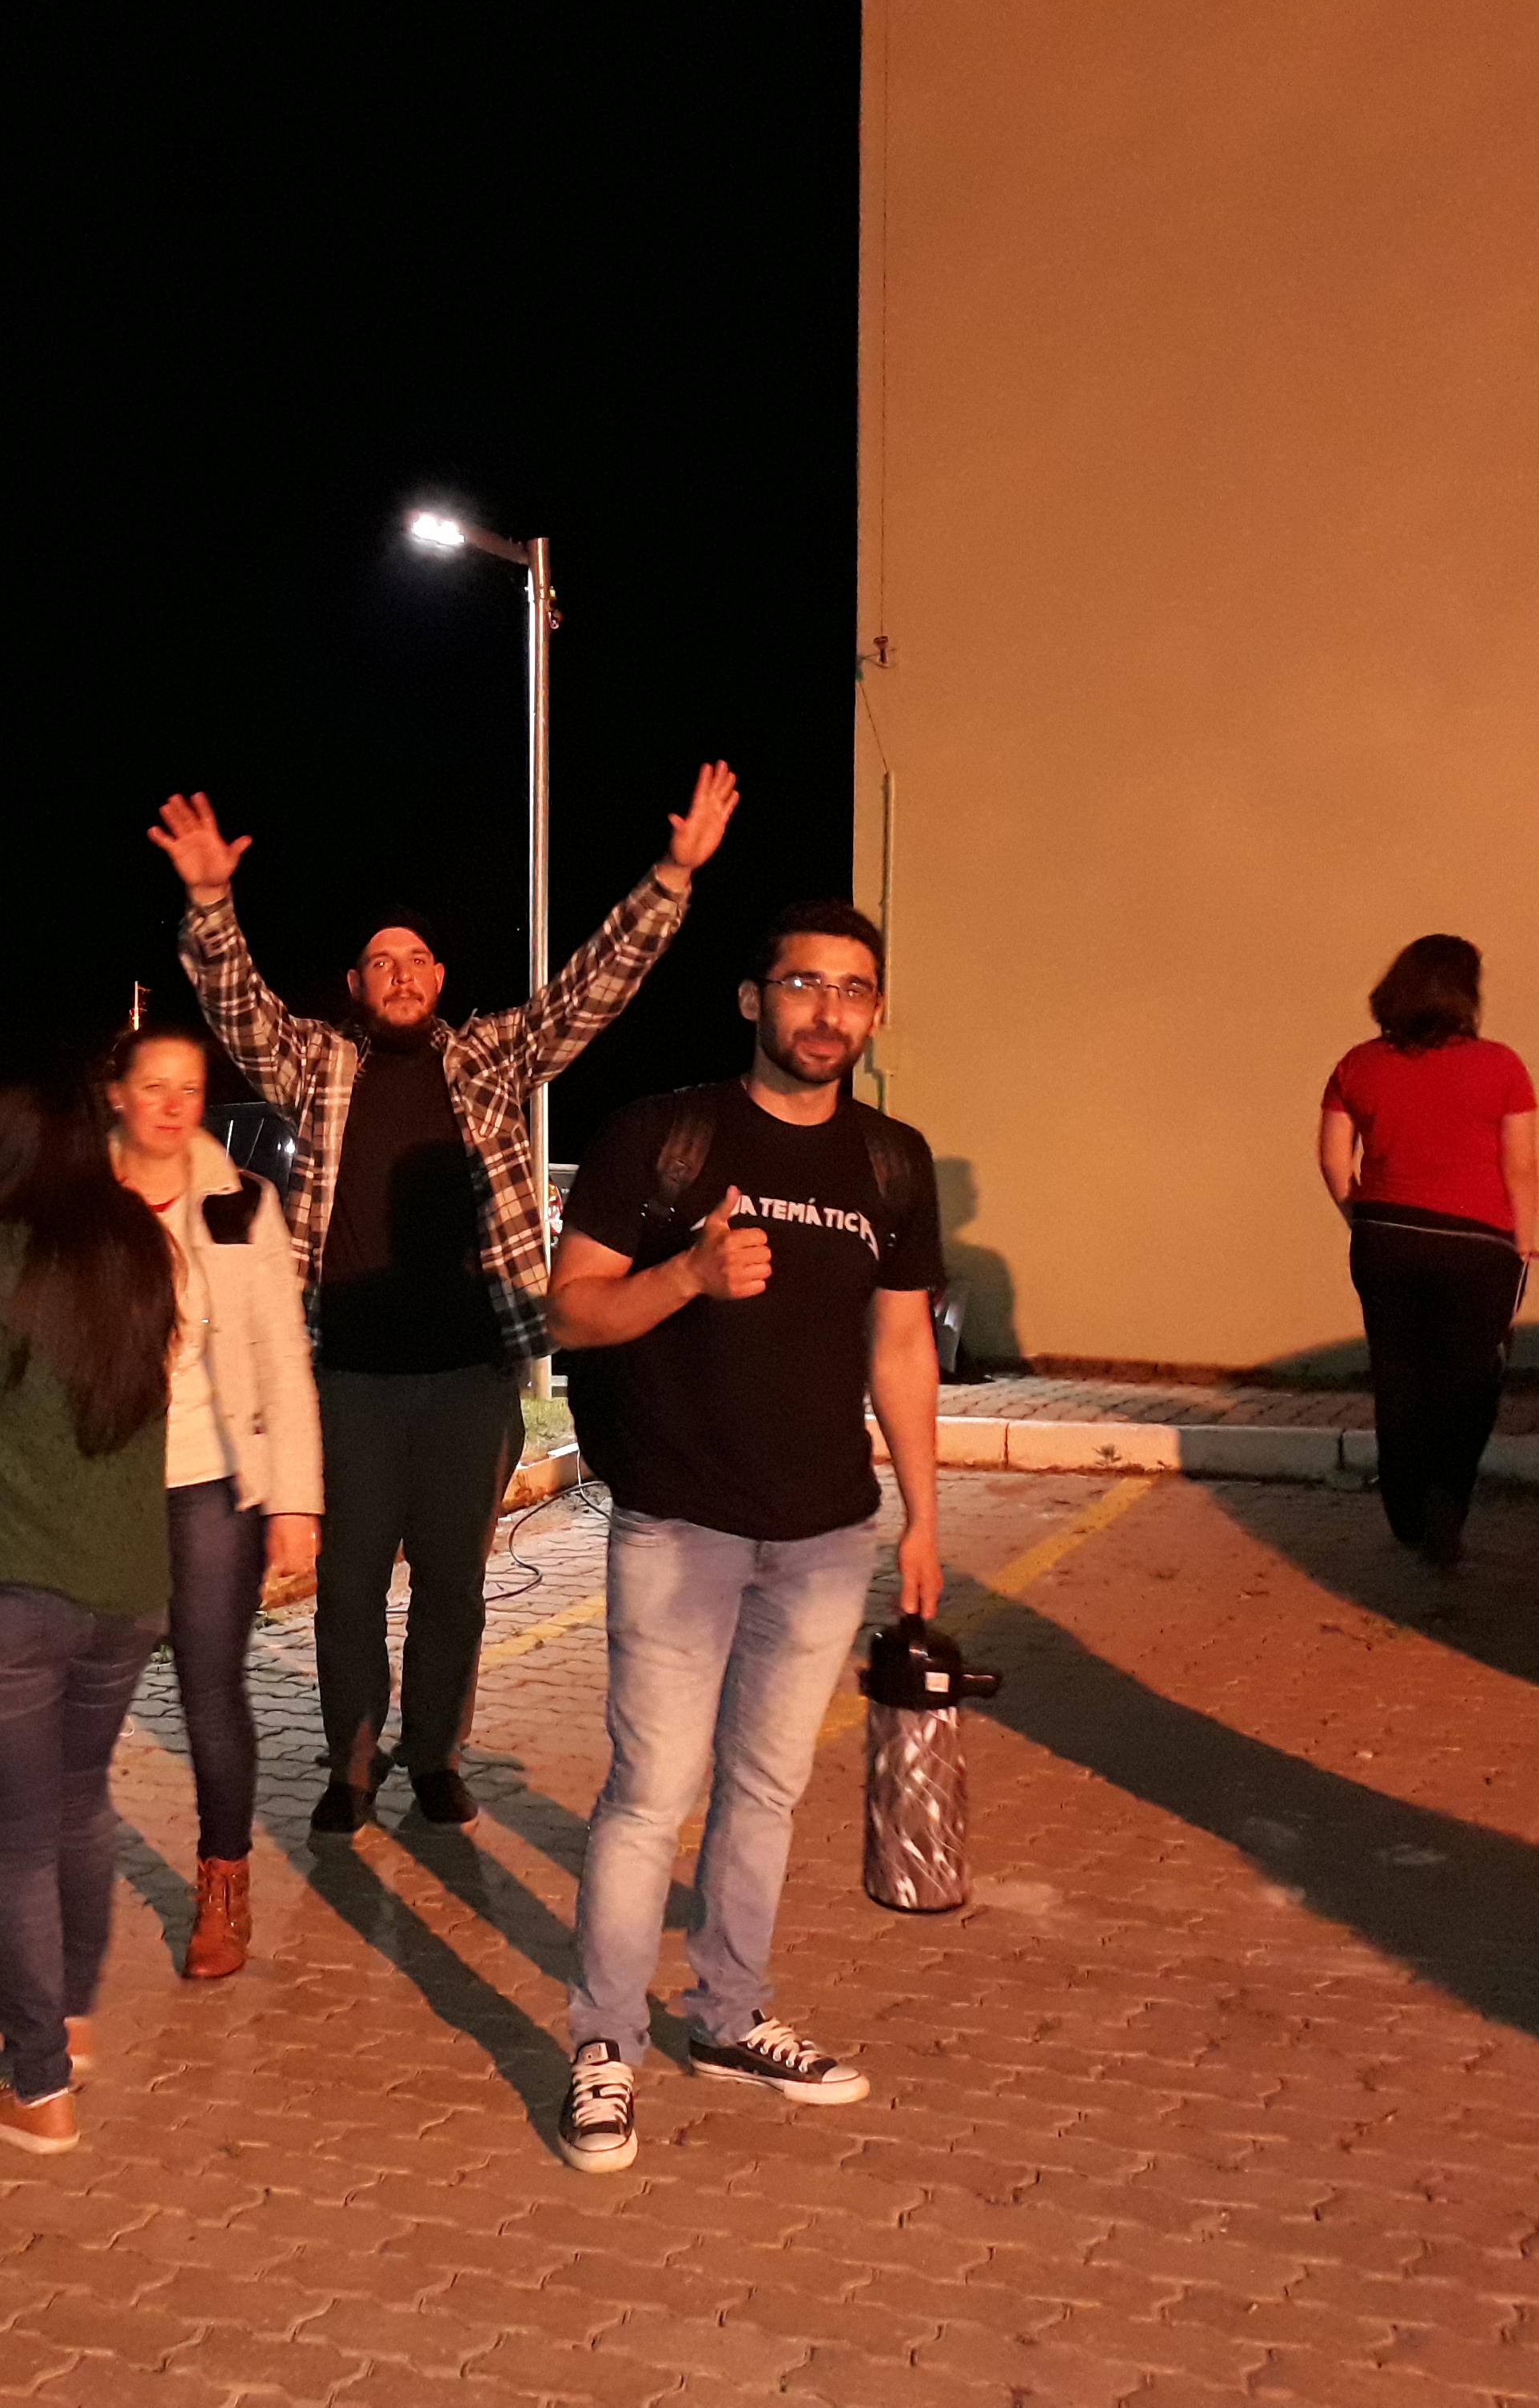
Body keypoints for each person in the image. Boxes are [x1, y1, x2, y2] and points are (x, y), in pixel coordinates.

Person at [154, 763, 741, 1834]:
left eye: (415, 959)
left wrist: (672, 877)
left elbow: (590, 991)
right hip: (346, 1382)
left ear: (440, 976)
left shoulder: (489, 1059)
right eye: (380, 962)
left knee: (454, 1589)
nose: (400, 974)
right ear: (356, 983)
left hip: (470, 1377)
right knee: (347, 1590)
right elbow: (236, 1006)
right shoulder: (317, 1066)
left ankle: (434, 1755)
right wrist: (208, 902)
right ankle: (350, 1766)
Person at [541, 901, 944, 2171]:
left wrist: (924, 1517)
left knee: (767, 1791)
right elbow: (569, 1313)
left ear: (877, 1014)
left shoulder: (894, 1162)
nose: (828, 1011)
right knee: (650, 1796)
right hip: (680, 1524)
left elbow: (900, 1344)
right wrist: (688, 1278)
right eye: (804, 984)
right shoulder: (663, 1136)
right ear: (753, 1000)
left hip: (827, 1533)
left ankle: (728, 2016)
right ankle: (605, 2047)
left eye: (853, 990)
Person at [0, 1043, 176, 2154]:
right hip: (126, 1584)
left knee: (15, 1837)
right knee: (80, 1801)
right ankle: (73, 2019)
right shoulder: (133, 1243)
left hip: (4, 1590)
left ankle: (38, 2086)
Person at [103, 1023, 325, 1979]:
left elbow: (282, 1351)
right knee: (78, 1692)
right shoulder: (79, 1198)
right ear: (116, 1094)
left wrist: (295, 1502)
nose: (171, 1104)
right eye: (152, 1085)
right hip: (99, 1482)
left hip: (209, 1477)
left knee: (210, 1685)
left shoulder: (242, 1201)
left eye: (188, 1087)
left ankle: (222, 1890)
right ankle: (34, 1889)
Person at [1316, 935, 1539, 1566]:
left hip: (1385, 1236)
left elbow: (1334, 1159)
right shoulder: (1502, 1066)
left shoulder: (1358, 1065)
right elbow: (1521, 1167)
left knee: (1398, 1375)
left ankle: (1406, 1510)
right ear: (1465, 992)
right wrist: (1524, 1243)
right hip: (1478, 1243)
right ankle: (1447, 1505)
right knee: (1468, 1382)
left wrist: (1363, 1216)